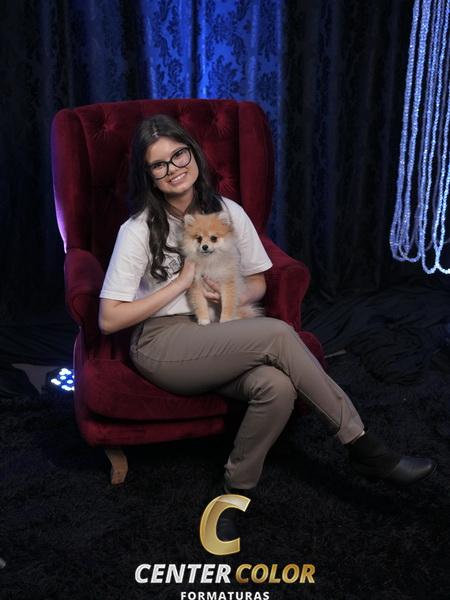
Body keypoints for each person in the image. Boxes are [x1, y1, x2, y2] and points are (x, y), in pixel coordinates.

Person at [98, 114, 436, 539]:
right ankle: (365, 448)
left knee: (276, 388)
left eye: (178, 155)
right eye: (158, 164)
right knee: (278, 334)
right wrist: (181, 284)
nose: (173, 169)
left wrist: (229, 294)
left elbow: (259, 281)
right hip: (163, 343)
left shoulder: (228, 212)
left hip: (220, 330)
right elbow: (109, 319)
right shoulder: (137, 230)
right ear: (148, 175)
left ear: (193, 153)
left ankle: (234, 492)